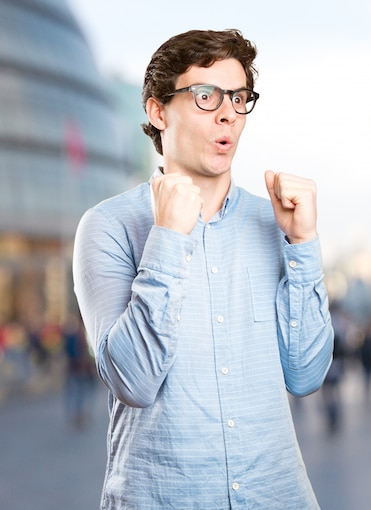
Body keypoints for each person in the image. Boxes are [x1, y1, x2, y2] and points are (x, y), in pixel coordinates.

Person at [72, 29, 334, 509]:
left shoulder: (274, 221)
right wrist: (169, 239)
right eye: (205, 95)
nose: (228, 112)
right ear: (157, 111)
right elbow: (133, 381)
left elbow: (307, 374)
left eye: (238, 97)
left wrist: (303, 244)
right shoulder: (107, 227)